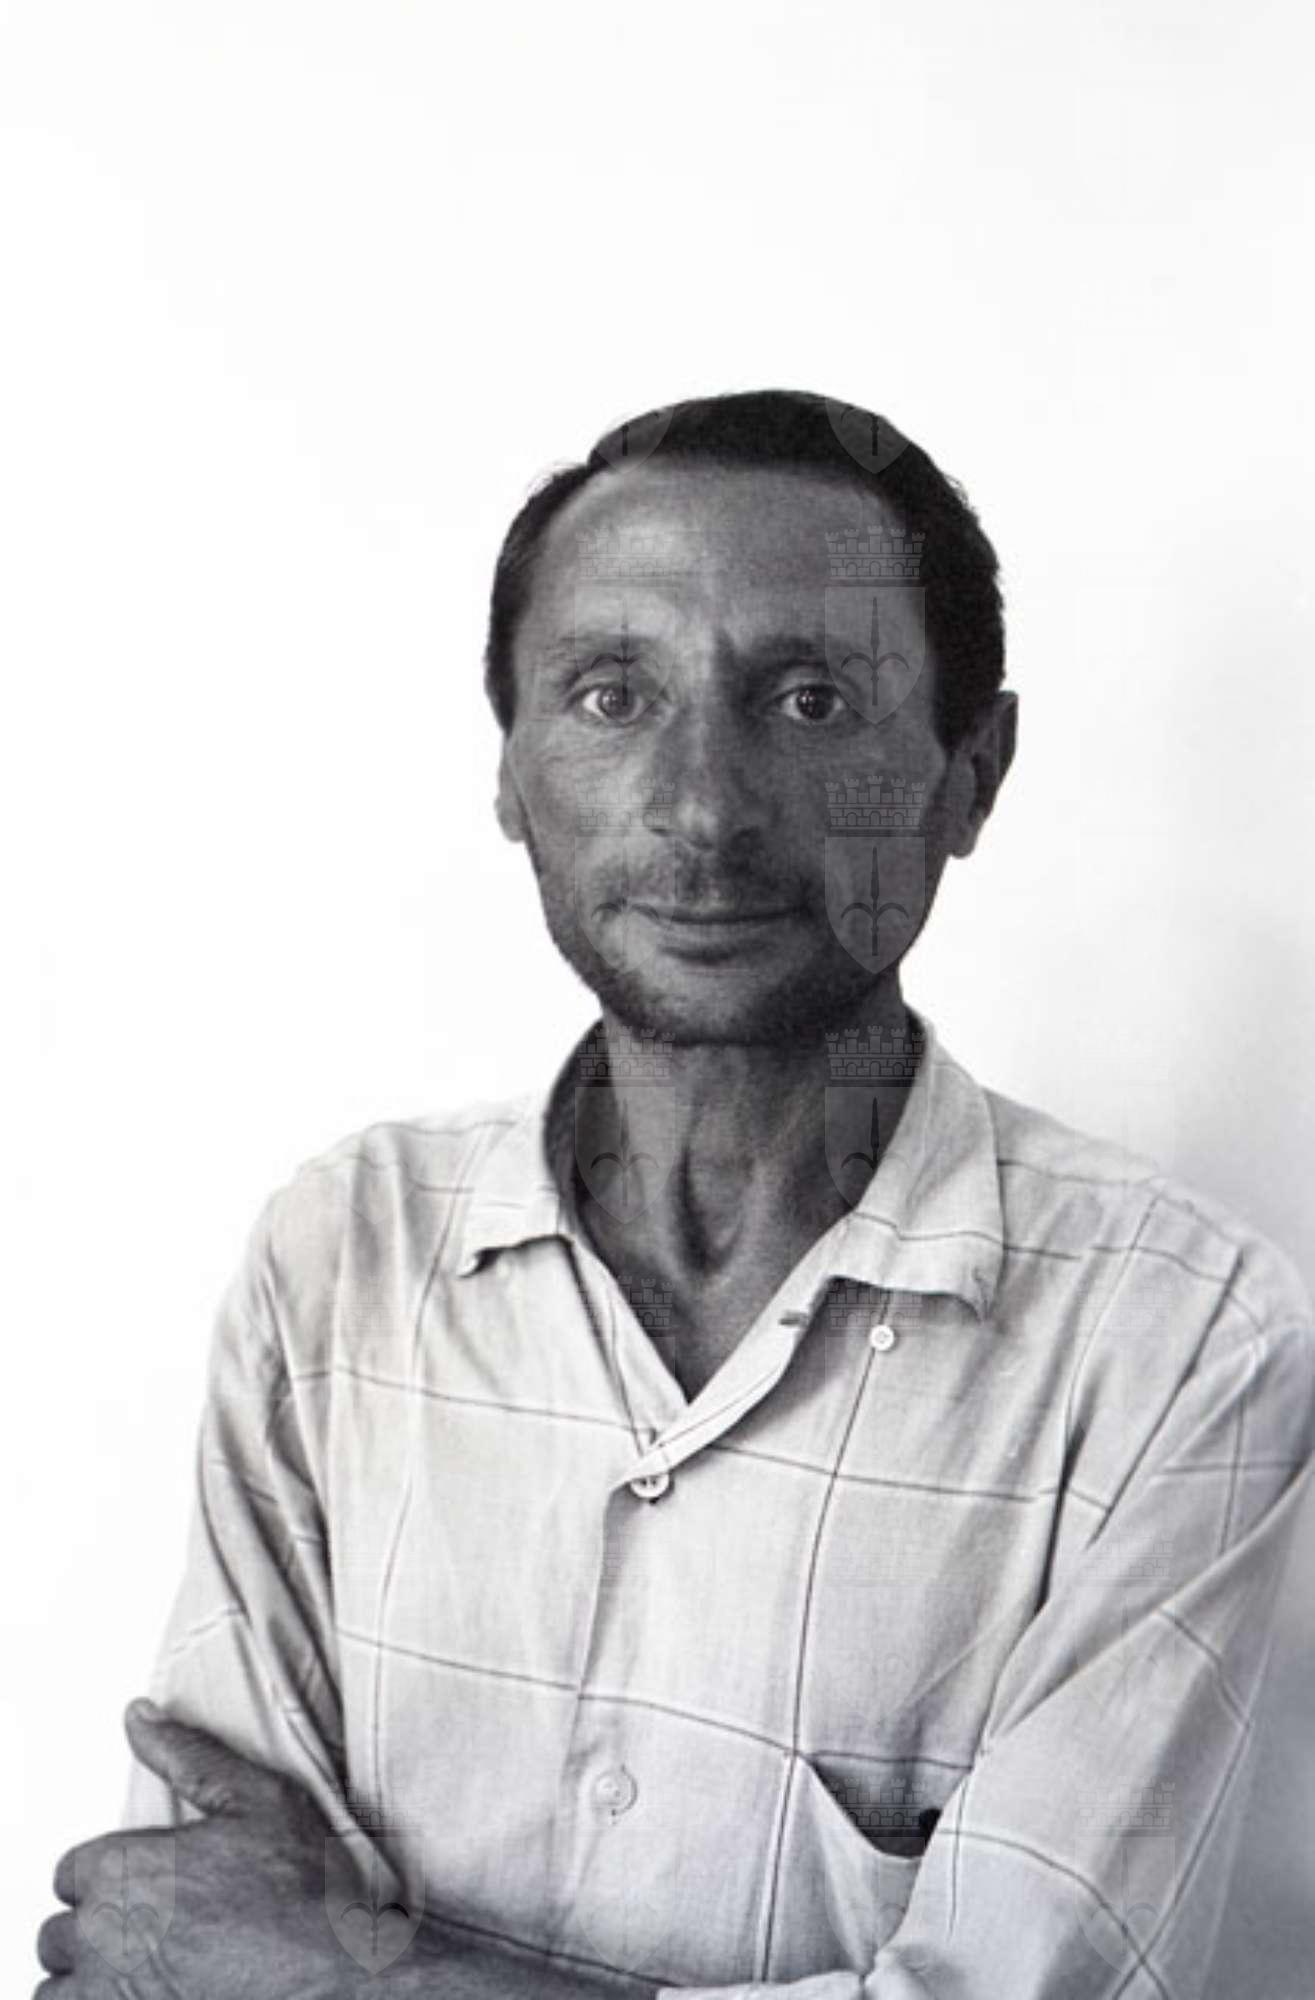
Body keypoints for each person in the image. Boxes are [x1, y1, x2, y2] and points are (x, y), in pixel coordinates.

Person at [36, 391, 1315, 2000]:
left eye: (810, 699)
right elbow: (179, 1943)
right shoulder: (343, 1252)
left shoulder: (1178, 1339)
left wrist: (340, 1979)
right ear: (511, 771)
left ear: (969, 776)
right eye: (610, 695)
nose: (703, 809)